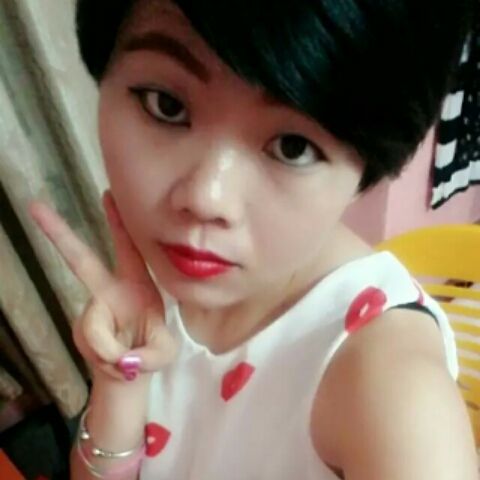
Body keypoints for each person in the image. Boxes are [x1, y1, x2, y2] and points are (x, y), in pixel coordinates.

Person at [28, 0, 478, 478]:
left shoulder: (392, 391)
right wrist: (122, 381)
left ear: (368, 167)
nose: (206, 198)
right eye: (167, 105)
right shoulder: (167, 274)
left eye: (293, 147)